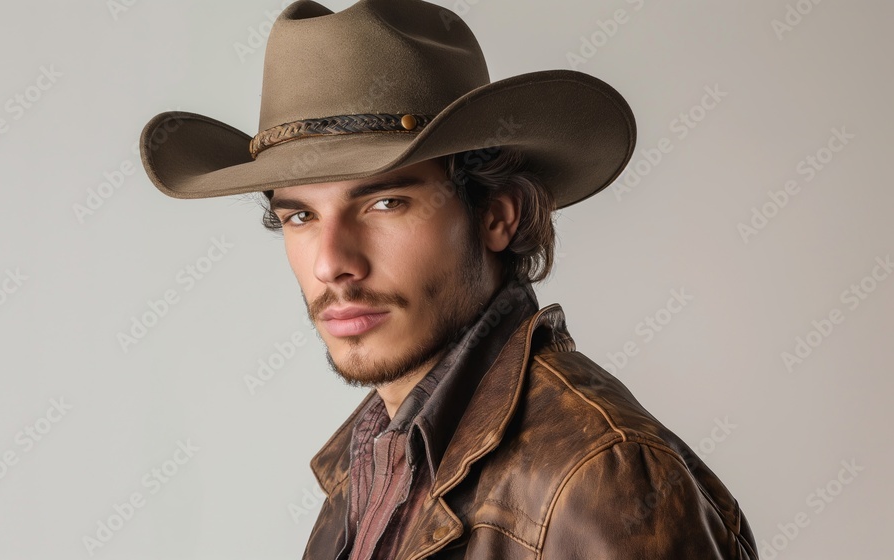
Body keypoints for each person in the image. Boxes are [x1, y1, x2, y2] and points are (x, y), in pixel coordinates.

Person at [138, 0, 758, 558]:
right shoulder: (372, 462)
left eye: (385, 203)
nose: (331, 263)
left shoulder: (601, 479)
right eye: (300, 216)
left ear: (496, 214)